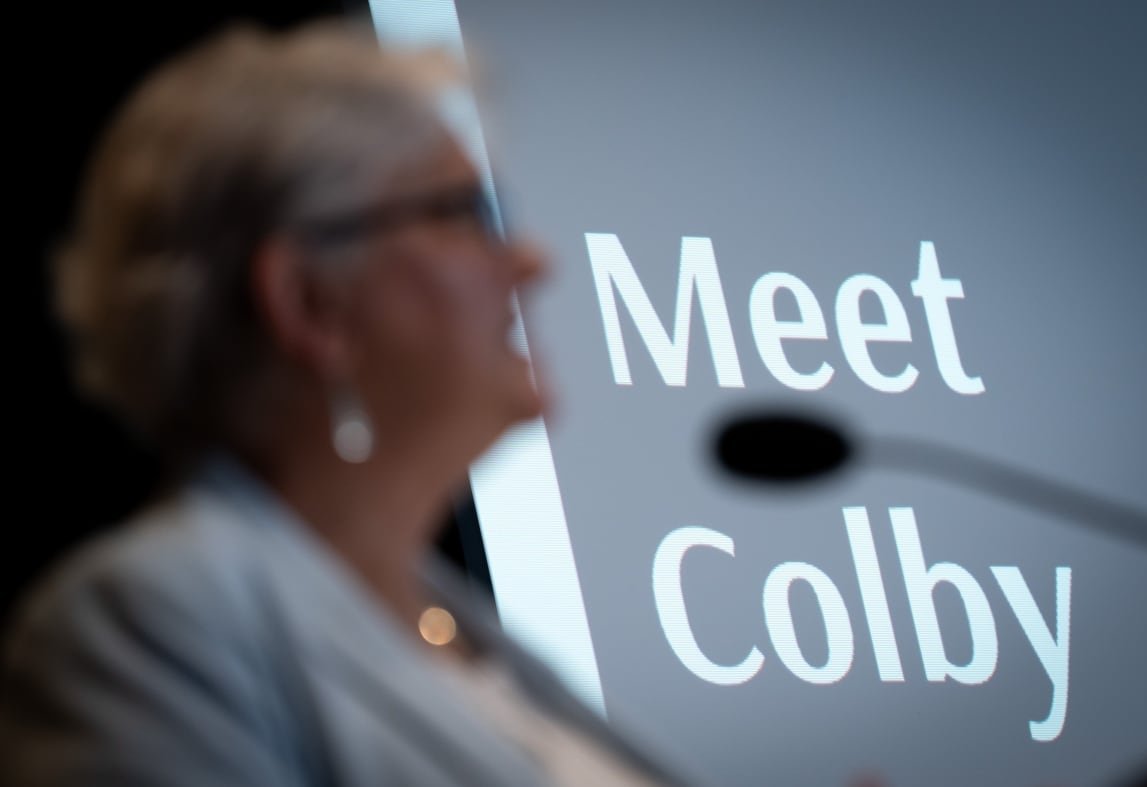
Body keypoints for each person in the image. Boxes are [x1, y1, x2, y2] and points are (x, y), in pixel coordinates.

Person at [0, 21, 696, 787]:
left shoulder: (467, 635)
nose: (532, 260)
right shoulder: (154, 623)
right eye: (462, 214)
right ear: (308, 302)